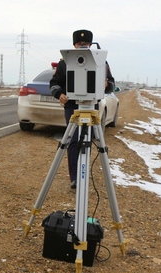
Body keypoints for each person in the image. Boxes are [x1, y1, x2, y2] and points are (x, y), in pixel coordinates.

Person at [50, 29, 115, 189]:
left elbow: (111, 84)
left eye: (86, 44)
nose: (83, 47)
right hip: (72, 106)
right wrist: (60, 94)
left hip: (92, 105)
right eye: (80, 44)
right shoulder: (65, 62)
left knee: (88, 138)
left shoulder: (101, 62)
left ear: (91, 44)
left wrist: (106, 85)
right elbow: (54, 83)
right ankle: (75, 178)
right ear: (74, 44)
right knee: (73, 141)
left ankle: (83, 173)